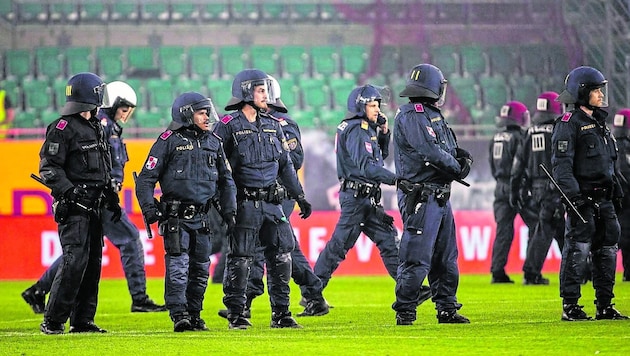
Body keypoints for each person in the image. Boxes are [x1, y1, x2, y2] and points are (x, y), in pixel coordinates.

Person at [21, 81, 166, 315]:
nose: (127, 113)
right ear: (115, 102)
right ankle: (139, 298)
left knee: (81, 251)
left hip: (102, 197)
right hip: (93, 197)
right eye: (125, 107)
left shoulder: (106, 127)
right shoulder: (101, 125)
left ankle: (38, 290)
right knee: (128, 240)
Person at [217, 75, 329, 320]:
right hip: (247, 200)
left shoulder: (276, 123)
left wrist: (300, 196)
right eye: (259, 90)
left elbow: (290, 163)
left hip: (276, 198)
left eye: (265, 90)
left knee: (280, 252)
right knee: (251, 254)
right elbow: (215, 163)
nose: (264, 95)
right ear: (247, 93)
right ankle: (241, 310)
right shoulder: (228, 125)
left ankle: (279, 311)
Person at [311, 83, 432, 305]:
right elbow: (368, 168)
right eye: (372, 105)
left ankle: (409, 289)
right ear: (360, 106)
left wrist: (384, 133)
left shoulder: (361, 128)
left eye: (378, 105)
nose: (377, 109)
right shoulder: (357, 129)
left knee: (388, 241)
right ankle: (312, 294)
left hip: (366, 198)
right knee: (339, 246)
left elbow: (378, 159)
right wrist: (397, 180)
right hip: (357, 199)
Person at [135, 91, 237, 332]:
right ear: (186, 114)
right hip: (175, 218)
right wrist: (150, 210)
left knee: (201, 268)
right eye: (202, 113)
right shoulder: (167, 140)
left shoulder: (214, 142)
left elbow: (226, 181)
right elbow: (145, 179)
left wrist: (230, 211)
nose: (208, 118)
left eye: (208, 113)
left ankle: (194, 314)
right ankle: (179, 314)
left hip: (203, 218)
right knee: (178, 267)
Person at [37, 72, 120, 334]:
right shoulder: (61, 128)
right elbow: (48, 168)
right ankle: (53, 320)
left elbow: (104, 167)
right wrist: (68, 191)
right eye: (98, 92)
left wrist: (112, 198)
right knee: (74, 261)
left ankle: (83, 320)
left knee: (93, 262)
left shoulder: (96, 125)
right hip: (74, 208)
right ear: (88, 95)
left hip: (96, 206)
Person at [392, 63, 471, 325]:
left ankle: (446, 308)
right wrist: (458, 168)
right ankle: (405, 310)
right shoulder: (411, 115)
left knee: (446, 257)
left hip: (439, 195)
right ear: (432, 86)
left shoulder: (431, 114)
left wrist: (460, 158)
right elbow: (431, 152)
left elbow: (447, 148)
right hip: (421, 197)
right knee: (417, 256)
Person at [552, 65, 628, 321]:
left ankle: (605, 305)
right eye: (596, 90)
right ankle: (570, 306)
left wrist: (617, 189)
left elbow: (609, 162)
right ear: (582, 92)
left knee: (607, 250)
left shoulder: (600, 123)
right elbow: (561, 166)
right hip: (582, 200)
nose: (601, 94)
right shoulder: (568, 124)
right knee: (577, 249)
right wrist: (574, 198)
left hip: (605, 199)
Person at [509, 92, 565, 285]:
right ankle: (531, 273)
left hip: (536, 188)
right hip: (555, 187)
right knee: (546, 230)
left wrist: (515, 190)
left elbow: (518, 164)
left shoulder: (529, 132)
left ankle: (579, 270)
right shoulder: (559, 130)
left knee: (558, 229)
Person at [489, 100, 537, 283]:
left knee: (503, 231)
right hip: (517, 187)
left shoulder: (495, 137)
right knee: (536, 225)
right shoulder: (520, 137)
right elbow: (523, 164)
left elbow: (492, 167)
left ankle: (497, 271)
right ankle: (531, 270)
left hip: (499, 187)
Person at [612, 108, 630, 282]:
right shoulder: (625, 147)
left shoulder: (609, 143)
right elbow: (624, 174)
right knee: (625, 236)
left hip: (612, 197)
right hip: (625, 199)